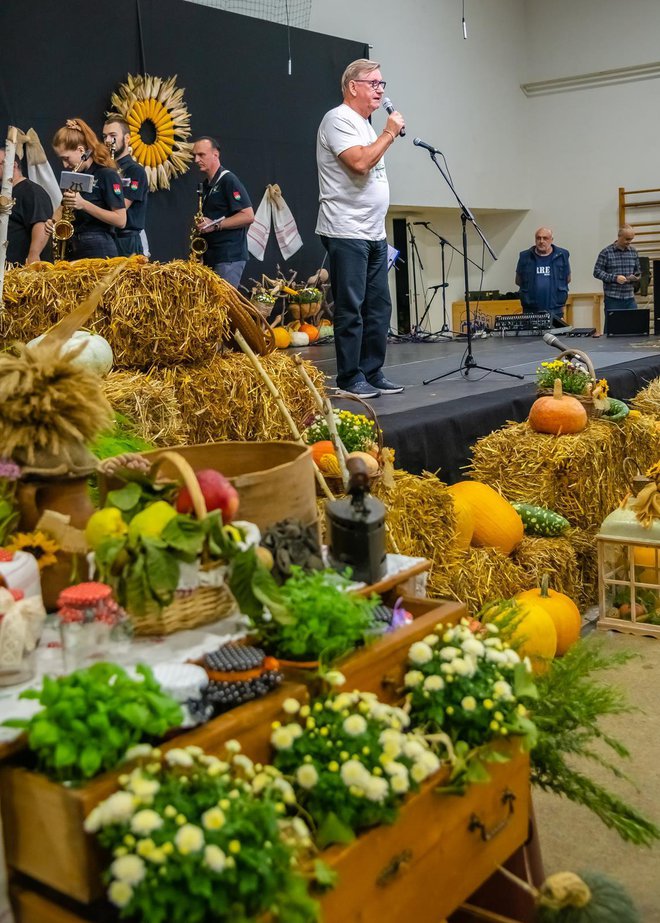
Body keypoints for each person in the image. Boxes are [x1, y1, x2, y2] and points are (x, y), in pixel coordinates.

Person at [316, 58, 405, 397]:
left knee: (379, 306)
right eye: (374, 83)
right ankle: (350, 378)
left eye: (383, 84)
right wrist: (389, 132)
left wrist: (383, 132)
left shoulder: (366, 124)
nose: (380, 89)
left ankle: (372, 371)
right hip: (345, 229)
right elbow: (360, 163)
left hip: (373, 232)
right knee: (351, 308)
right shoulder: (337, 119)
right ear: (353, 87)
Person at [45, 118, 126, 260]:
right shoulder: (76, 175)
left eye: (67, 158)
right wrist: (53, 222)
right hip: (75, 247)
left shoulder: (107, 174)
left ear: (81, 150)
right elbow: (64, 206)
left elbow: (121, 220)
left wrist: (84, 204)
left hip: (99, 250)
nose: (65, 165)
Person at [191, 136, 254, 287]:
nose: (196, 160)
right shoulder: (207, 185)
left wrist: (214, 225)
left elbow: (248, 216)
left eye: (201, 155)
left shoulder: (228, 180)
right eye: (194, 155)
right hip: (213, 256)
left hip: (228, 257)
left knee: (224, 307)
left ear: (215, 155)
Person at [102, 115, 148, 256]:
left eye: (113, 135)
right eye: (104, 136)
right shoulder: (104, 169)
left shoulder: (135, 171)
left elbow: (121, 206)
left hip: (126, 241)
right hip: (107, 239)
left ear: (127, 139)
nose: (108, 141)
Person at [0, 146, 51, 264]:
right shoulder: (4, 194)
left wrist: (33, 256)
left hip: (22, 272)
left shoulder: (32, 191)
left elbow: (41, 223)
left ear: (13, 165)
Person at [515, 227, 571, 326]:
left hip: (556, 310)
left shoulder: (562, 255)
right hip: (530, 311)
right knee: (530, 340)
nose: (541, 241)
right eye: (538, 238)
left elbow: (568, 279)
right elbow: (518, 280)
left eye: (545, 238)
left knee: (557, 337)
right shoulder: (525, 256)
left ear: (551, 240)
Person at [593, 225, 641, 333]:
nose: (629, 242)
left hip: (629, 298)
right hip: (613, 298)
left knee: (634, 329)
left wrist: (635, 277)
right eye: (627, 239)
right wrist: (615, 278)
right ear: (619, 236)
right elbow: (596, 272)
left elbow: (638, 271)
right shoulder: (606, 252)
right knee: (612, 330)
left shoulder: (633, 252)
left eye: (631, 239)